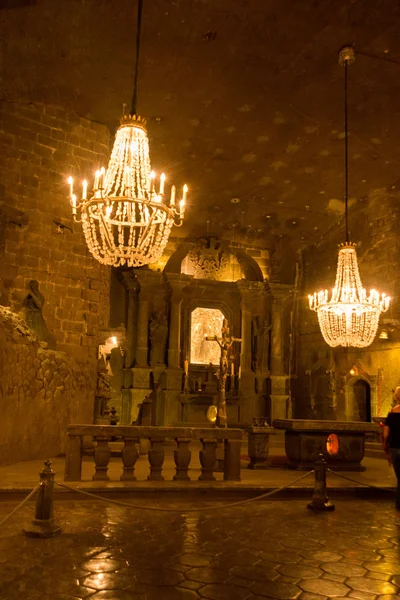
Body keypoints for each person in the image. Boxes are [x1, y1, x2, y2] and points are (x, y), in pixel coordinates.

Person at [383, 386, 400, 524]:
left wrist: (386, 450)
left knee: (399, 476)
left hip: (395, 447)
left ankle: (398, 504)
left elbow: (386, 434)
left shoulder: (392, 414)